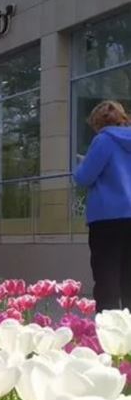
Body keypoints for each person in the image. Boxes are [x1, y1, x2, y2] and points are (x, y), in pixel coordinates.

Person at [74, 99, 131, 312]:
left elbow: (84, 178)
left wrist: (82, 164)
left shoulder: (103, 140)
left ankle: (109, 326)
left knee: (107, 276)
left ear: (98, 123)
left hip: (107, 219)